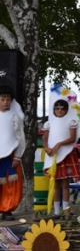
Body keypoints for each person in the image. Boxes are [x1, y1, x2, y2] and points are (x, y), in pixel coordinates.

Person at [43, 94, 80, 219]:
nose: (59, 110)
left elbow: (72, 138)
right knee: (55, 184)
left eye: (62, 108)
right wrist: (46, 148)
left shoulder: (71, 121)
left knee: (65, 184)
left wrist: (60, 144)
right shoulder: (49, 123)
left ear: (66, 110)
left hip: (66, 154)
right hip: (52, 156)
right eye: (57, 108)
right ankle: (56, 212)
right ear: (53, 110)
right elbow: (44, 139)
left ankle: (66, 211)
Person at [0, 85, 25, 221]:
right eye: (2, 99)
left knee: (10, 184)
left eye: (8, 99)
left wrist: (17, 156)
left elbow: (20, 137)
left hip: (10, 154)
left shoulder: (15, 117)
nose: (5, 102)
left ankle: (7, 209)